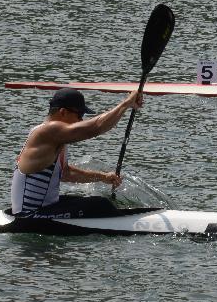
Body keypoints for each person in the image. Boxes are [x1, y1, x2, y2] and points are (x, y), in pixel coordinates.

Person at [11, 88, 143, 217]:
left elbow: (67, 174)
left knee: (94, 201)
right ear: (63, 112)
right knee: (100, 204)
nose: (81, 121)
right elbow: (96, 127)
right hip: (30, 216)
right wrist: (126, 103)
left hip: (41, 209)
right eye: (79, 115)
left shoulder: (53, 138)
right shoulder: (49, 131)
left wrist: (103, 177)